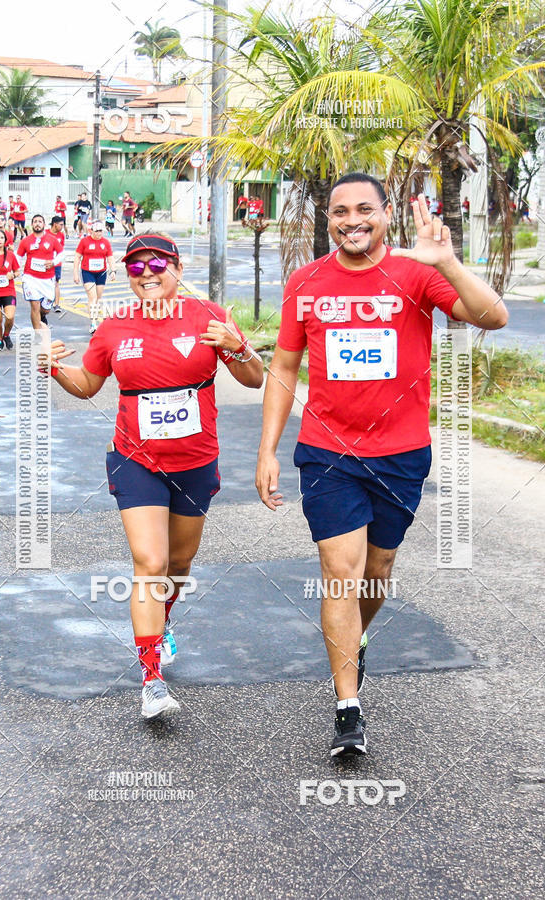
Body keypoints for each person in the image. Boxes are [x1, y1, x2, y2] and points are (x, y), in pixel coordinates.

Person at [255, 174, 508, 758]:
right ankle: (348, 709)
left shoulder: (419, 273)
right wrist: (268, 449)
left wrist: (446, 262)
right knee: (339, 572)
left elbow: (491, 317)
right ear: (329, 219)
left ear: (387, 213)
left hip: (400, 454)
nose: (351, 220)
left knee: (377, 570)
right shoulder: (306, 281)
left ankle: (357, 637)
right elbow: (286, 368)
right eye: (339, 211)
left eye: (364, 209)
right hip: (327, 453)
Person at [38, 232, 263, 718]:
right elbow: (87, 386)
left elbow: (255, 378)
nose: (149, 273)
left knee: (178, 565)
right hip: (135, 461)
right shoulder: (115, 327)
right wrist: (55, 370)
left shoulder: (209, 317)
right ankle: (152, 677)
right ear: (127, 275)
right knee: (150, 561)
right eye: (137, 266)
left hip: (196, 463)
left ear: (177, 268)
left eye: (158, 263)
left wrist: (239, 344)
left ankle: (163, 623)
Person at [16, 214, 59, 329]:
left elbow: (62, 253)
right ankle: (38, 335)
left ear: (44, 224)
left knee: (45, 309)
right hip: (31, 278)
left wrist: (53, 262)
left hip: (47, 279)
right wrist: (16, 271)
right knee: (35, 305)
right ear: (32, 225)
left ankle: (42, 315)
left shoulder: (52, 239)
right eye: (35, 221)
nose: (37, 224)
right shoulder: (26, 241)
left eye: (40, 221)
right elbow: (18, 257)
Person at [74, 221, 115, 333]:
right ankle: (93, 323)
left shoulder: (105, 242)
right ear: (91, 231)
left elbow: (110, 257)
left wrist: (113, 270)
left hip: (101, 273)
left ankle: (95, 318)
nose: (99, 233)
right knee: (92, 297)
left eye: (101, 231)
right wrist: (75, 273)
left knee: (97, 298)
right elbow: (77, 257)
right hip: (88, 272)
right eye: (97, 231)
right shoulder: (84, 242)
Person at [45, 216, 66, 313]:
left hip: (56, 263)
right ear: (55, 224)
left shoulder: (61, 235)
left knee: (56, 283)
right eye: (61, 225)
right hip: (46, 262)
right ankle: (45, 302)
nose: (62, 226)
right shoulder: (45, 233)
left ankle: (56, 304)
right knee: (45, 282)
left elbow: (61, 250)